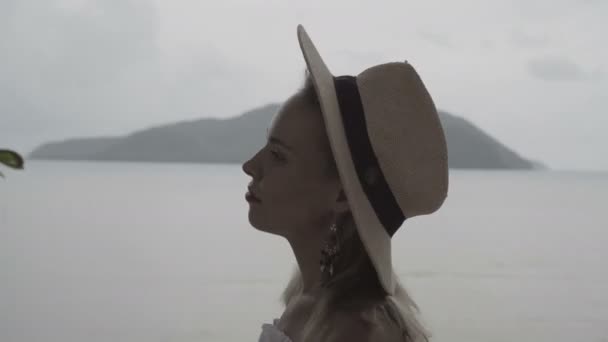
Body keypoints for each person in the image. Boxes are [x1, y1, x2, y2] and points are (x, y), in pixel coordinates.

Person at [242, 25, 449, 342]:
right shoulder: (316, 309)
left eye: (279, 156)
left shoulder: (348, 330)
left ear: (341, 194)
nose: (251, 166)